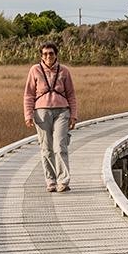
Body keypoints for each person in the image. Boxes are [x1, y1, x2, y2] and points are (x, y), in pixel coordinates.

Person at [24, 42, 78, 192]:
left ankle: (63, 180)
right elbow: (28, 94)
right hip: (41, 112)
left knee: (60, 146)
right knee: (46, 147)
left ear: (56, 54)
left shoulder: (64, 70)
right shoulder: (34, 70)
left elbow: (71, 94)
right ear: (41, 55)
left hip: (62, 111)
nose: (49, 56)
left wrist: (73, 115)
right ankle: (51, 180)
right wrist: (28, 115)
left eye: (51, 53)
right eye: (45, 53)